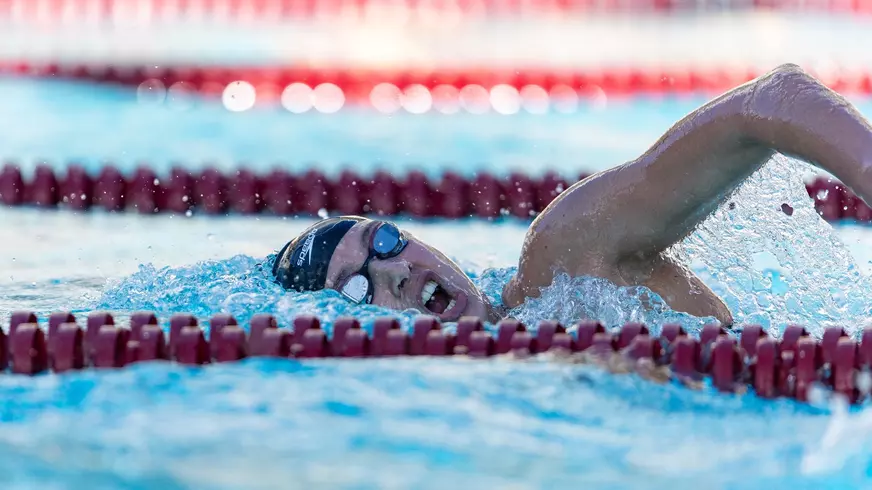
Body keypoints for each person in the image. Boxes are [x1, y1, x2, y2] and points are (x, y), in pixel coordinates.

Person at [272, 64, 872, 326]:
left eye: (385, 240)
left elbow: (770, 99)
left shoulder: (565, 258)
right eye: (358, 286)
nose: (397, 272)